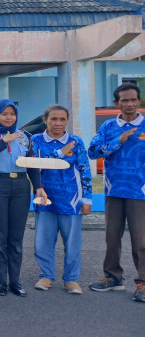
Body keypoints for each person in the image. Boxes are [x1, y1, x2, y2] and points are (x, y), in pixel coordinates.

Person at [0, 99, 45, 297]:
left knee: (16, 237)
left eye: (12, 114)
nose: (8, 117)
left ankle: (14, 280)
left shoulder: (25, 136)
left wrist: (38, 187)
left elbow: (32, 163)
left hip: (21, 186)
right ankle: (1, 281)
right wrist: (3, 141)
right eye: (4, 113)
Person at [88, 83, 145, 303]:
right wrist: (118, 141)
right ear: (116, 103)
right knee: (112, 238)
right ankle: (112, 276)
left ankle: (142, 283)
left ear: (139, 101)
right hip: (113, 191)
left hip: (139, 192)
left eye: (133, 99)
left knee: (140, 241)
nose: (129, 104)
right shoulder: (109, 127)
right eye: (124, 100)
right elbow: (93, 151)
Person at [31, 104, 91, 295]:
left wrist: (87, 199)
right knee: (43, 241)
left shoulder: (75, 141)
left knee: (72, 243)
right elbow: (34, 165)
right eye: (54, 119)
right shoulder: (36, 140)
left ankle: (71, 280)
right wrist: (60, 152)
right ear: (45, 119)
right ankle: (47, 275)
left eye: (62, 119)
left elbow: (85, 170)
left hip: (70, 200)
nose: (58, 123)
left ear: (67, 121)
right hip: (44, 199)